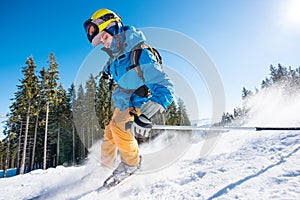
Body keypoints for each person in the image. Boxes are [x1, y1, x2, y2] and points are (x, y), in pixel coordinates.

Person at [83, 8, 174, 182]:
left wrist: (147, 114)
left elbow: (165, 87)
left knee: (119, 127)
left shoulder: (141, 54)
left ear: (114, 27)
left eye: (105, 37)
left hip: (140, 102)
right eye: (101, 40)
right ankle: (105, 167)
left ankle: (131, 164)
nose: (104, 43)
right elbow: (114, 66)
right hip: (124, 102)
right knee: (110, 132)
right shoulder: (118, 57)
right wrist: (106, 72)